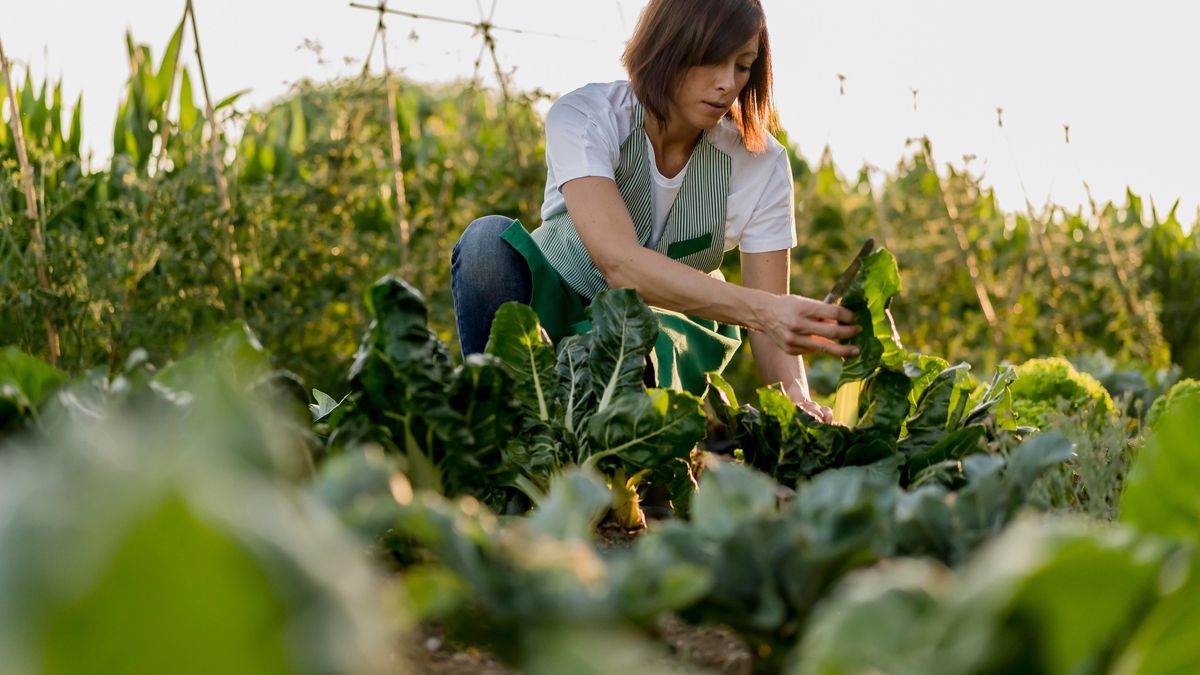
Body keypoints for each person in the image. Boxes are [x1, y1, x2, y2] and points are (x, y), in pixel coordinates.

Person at [450, 0, 860, 423]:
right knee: (484, 243)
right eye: (710, 61)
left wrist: (797, 399)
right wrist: (765, 310)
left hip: (661, 334)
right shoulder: (588, 116)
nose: (727, 84)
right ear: (667, 47)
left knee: (638, 342)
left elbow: (771, 324)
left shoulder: (761, 163)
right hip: (557, 302)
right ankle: (499, 432)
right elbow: (619, 263)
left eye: (743, 66)